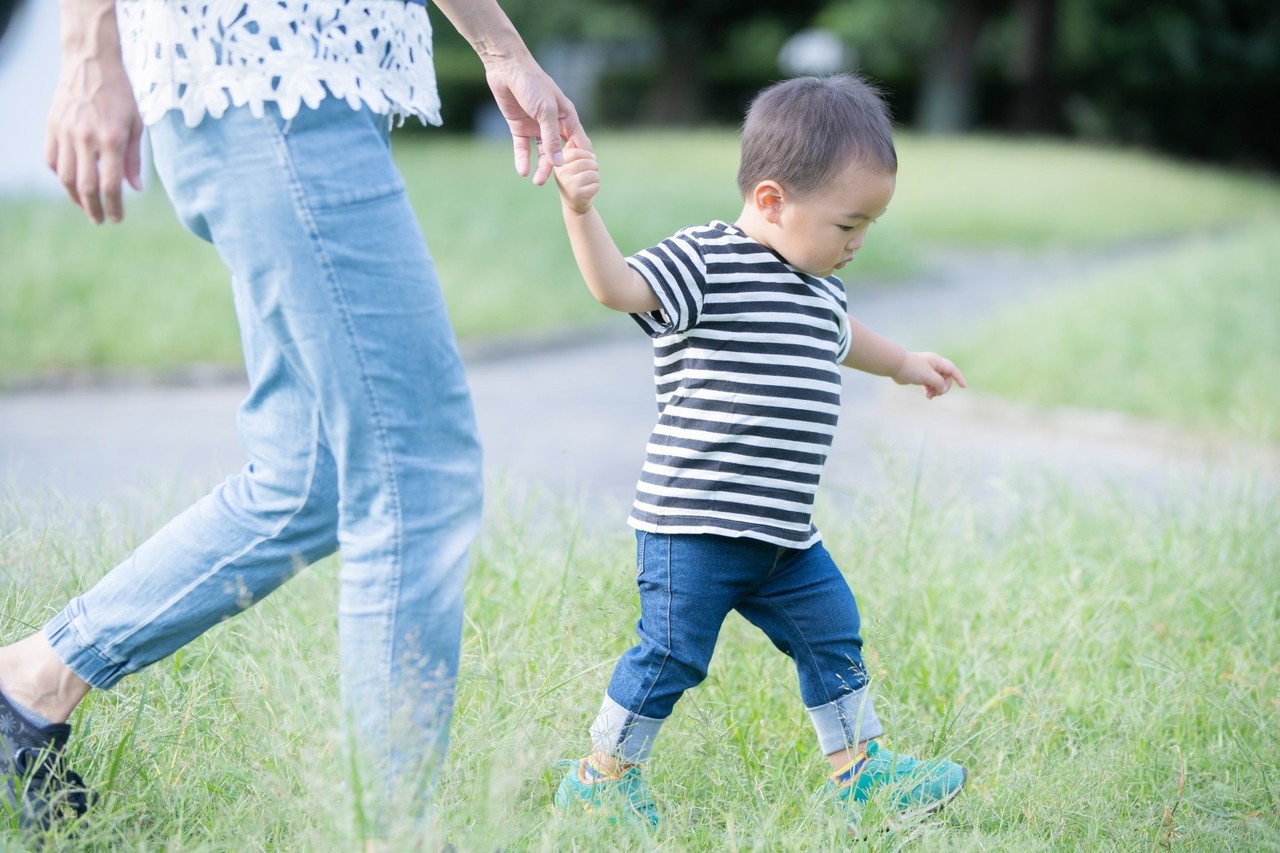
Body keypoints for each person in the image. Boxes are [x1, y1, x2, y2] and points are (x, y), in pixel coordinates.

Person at [0, 0, 579, 844]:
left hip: (309, 87)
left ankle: (31, 680)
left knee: (313, 475)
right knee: (414, 471)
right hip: (265, 78)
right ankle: (393, 833)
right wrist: (88, 52)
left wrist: (499, 44)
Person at [548, 73, 968, 833]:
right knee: (671, 652)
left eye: (869, 224)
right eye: (848, 224)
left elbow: (849, 340)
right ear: (772, 201)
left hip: (783, 534)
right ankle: (601, 777)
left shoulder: (822, 290)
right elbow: (618, 288)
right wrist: (581, 209)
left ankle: (862, 772)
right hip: (694, 523)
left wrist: (905, 362)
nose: (859, 242)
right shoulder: (707, 260)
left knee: (833, 630)